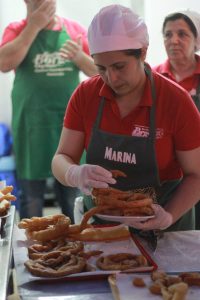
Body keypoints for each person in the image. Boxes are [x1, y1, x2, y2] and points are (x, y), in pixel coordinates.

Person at [52, 4, 200, 232]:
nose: (111, 78)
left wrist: (168, 216)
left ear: (142, 52)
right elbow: (61, 157)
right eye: (101, 67)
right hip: (101, 225)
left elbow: (196, 175)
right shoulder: (85, 95)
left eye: (119, 66)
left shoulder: (176, 101)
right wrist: (74, 173)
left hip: (166, 230)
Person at [0, 0, 97, 222]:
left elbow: (101, 72)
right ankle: (32, 252)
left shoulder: (73, 29)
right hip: (31, 126)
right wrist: (33, 27)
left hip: (68, 127)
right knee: (31, 197)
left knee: (72, 194)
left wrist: (79, 58)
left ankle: (74, 250)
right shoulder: (16, 29)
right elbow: (4, 63)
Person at [153, 10, 200, 229]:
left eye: (182, 34)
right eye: (168, 34)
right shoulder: (152, 80)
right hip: (169, 177)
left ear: (197, 40)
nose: (174, 40)